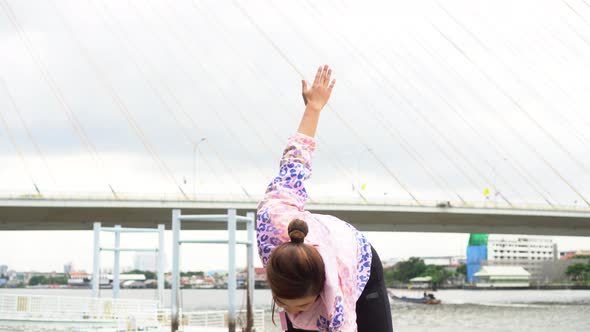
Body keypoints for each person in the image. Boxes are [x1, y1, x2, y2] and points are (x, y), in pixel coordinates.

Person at [256, 65, 393, 332]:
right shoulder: (273, 215)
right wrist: (313, 108)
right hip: (308, 257)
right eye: (285, 304)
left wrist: (317, 107)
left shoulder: (335, 292)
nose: (294, 312)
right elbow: (296, 159)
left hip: (357, 260)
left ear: (321, 291)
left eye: (302, 307)